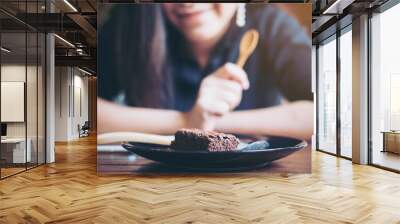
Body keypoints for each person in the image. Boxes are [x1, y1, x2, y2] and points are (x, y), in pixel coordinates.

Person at [98, 3, 313, 140]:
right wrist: (188, 122)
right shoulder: (132, 23)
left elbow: (321, 112)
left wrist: (207, 122)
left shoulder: (272, 24)